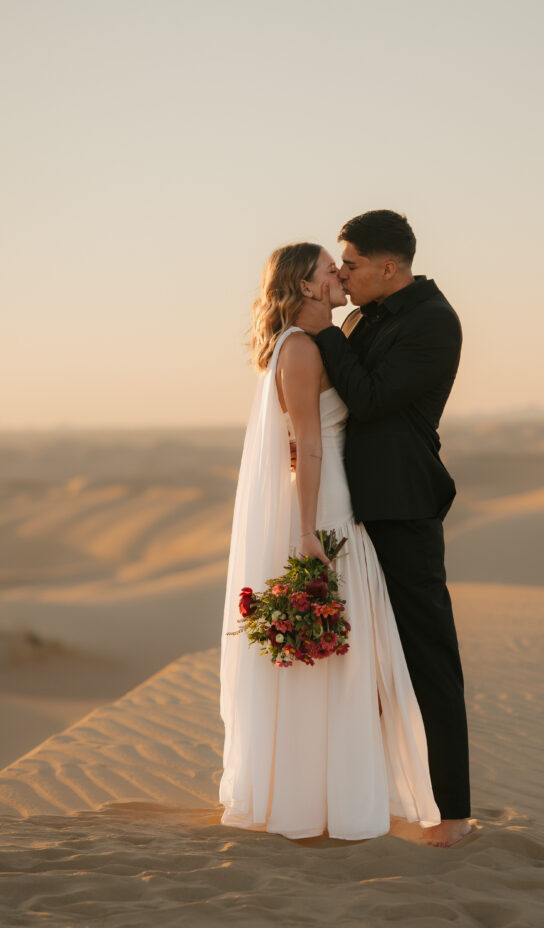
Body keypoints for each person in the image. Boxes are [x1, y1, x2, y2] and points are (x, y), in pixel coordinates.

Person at [218, 241, 442, 841]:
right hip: (329, 505)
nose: (340, 274)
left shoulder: (319, 341)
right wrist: (308, 532)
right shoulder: (299, 347)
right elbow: (308, 446)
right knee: (341, 650)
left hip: (339, 496)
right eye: (328, 269)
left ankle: (337, 788)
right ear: (308, 286)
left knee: (348, 649)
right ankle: (324, 798)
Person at [295, 210, 472, 847]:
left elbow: (369, 399)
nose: (343, 273)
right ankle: (362, 795)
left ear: (389, 268)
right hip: (351, 507)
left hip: (402, 506)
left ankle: (452, 814)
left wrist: (324, 333)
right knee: (358, 661)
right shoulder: (361, 317)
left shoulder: (434, 322)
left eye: (353, 264)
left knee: (427, 655)